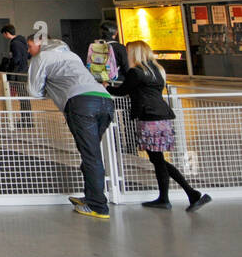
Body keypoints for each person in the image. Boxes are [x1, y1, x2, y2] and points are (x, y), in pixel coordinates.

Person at [107, 41, 210, 212]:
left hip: (149, 118)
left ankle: (191, 193)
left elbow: (122, 90)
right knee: (158, 159)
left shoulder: (136, 72)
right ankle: (169, 197)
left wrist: (106, 86)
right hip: (162, 116)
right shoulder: (156, 70)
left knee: (158, 160)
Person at [27, 28, 117, 219]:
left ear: (40, 43)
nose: (28, 50)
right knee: (91, 154)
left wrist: (49, 90)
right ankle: (92, 197)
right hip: (105, 101)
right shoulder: (71, 55)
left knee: (91, 155)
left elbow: (34, 92)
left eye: (30, 46)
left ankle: (98, 206)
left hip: (81, 104)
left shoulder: (41, 58)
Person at [1, 23, 33, 127]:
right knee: (24, 97)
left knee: (23, 97)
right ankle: (27, 120)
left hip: (18, 73)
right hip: (24, 71)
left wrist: (10, 63)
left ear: (6, 33)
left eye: (3, 34)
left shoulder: (14, 43)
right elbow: (28, 56)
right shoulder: (23, 42)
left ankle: (26, 121)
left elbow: (17, 58)